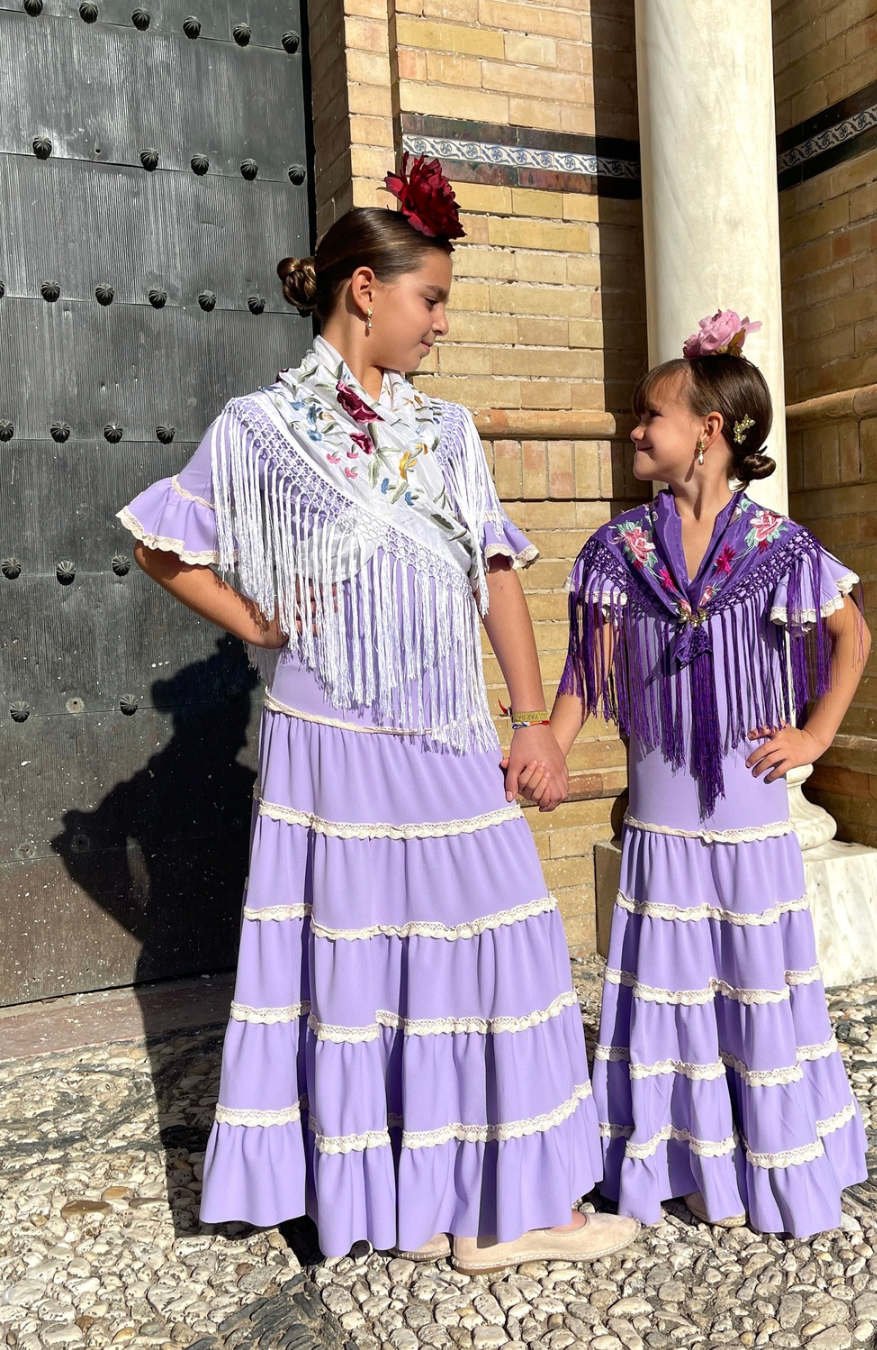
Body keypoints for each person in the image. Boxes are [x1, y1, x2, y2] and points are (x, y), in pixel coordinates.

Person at [117, 155, 638, 1273]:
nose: (440, 323)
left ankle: (509, 1201)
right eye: (430, 298)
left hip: (444, 726)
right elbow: (161, 542)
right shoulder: (258, 427)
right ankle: (414, 1208)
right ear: (364, 289)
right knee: (364, 962)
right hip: (329, 736)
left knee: (501, 937)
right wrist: (257, 625)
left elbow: (495, 569)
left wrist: (535, 718)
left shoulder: (446, 432)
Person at [540, 309, 871, 1237]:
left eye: (651, 415)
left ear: (710, 431)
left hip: (752, 821)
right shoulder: (618, 552)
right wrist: (551, 747)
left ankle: (767, 1163)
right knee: (668, 993)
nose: (634, 431)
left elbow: (854, 637)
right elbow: (585, 672)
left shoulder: (779, 549)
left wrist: (815, 737)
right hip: (660, 823)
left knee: (755, 988)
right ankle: (679, 1162)